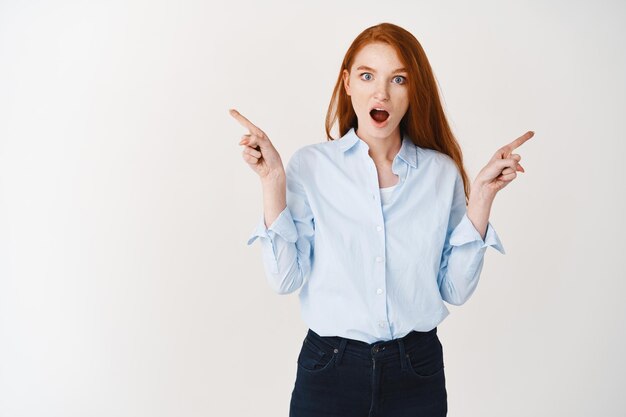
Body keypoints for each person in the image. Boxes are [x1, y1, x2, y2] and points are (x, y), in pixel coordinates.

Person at [231, 22, 533, 417]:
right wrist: (272, 182)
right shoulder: (311, 167)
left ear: (413, 89)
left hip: (416, 371)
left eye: (399, 79)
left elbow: (455, 290)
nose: (381, 92)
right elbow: (285, 279)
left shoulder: (440, 174)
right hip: (329, 370)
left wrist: (483, 197)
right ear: (347, 83)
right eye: (367, 75)